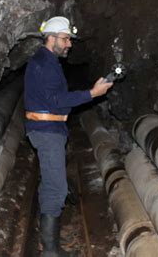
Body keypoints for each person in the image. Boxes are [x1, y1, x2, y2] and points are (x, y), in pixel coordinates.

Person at [24, 16, 113, 257]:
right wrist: (92, 93)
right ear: (51, 38)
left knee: (51, 185)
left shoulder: (47, 62)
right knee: (56, 189)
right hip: (47, 132)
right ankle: (51, 252)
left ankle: (49, 245)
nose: (69, 44)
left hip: (49, 130)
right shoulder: (45, 64)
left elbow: (55, 99)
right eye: (65, 39)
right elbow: (56, 101)